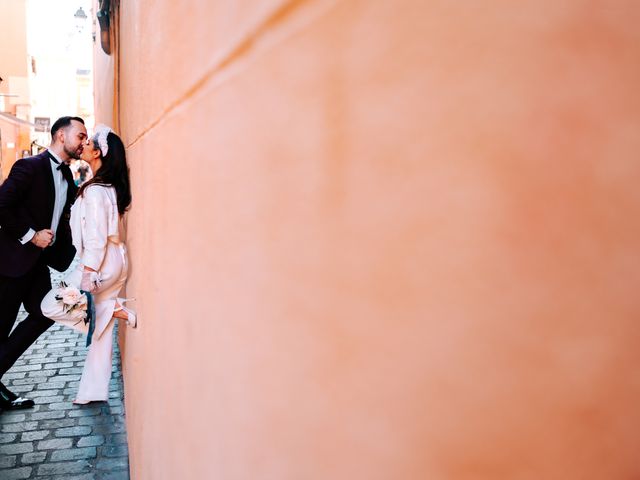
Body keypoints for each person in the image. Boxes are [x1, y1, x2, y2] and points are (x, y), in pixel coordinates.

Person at [41, 125, 136, 405]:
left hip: (101, 264)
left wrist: (89, 272)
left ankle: (111, 310)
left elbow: (96, 237)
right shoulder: (106, 187)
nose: (84, 144)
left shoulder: (95, 191)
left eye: (89, 141)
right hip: (116, 262)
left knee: (51, 304)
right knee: (101, 335)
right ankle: (93, 392)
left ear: (98, 153)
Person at [0, 116, 86, 411]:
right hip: (10, 262)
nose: (84, 142)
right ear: (61, 135)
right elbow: (2, 205)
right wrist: (30, 235)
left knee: (44, 313)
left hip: (37, 264)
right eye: (80, 136)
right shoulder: (30, 166)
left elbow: (62, 222)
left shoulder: (67, 177)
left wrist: (78, 260)